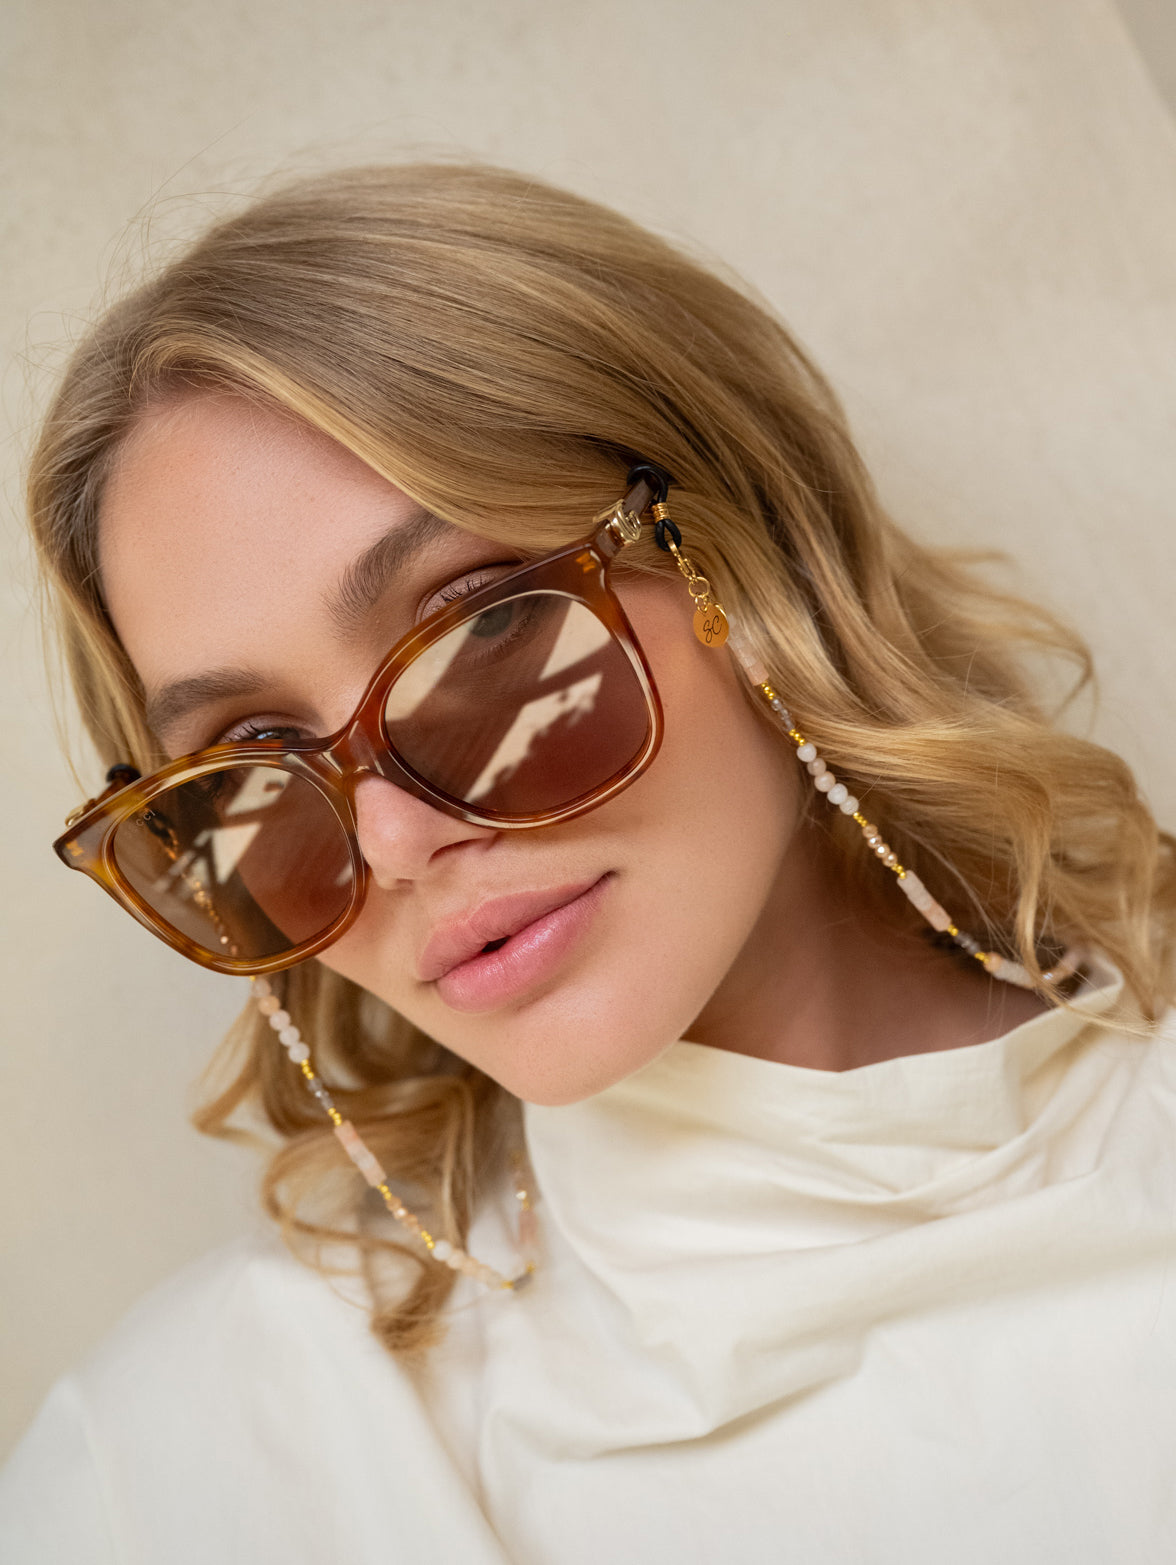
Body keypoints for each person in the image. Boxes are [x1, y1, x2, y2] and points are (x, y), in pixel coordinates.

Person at [2, 162, 1174, 1564]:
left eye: (485, 629)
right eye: (252, 755)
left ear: (750, 556)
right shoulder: (171, 1475)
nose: (394, 841)